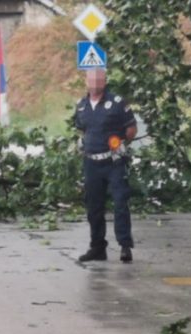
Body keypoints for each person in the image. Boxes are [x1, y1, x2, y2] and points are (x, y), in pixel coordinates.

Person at [74, 67, 138, 263]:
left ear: (104, 81)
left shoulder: (117, 103)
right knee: (94, 206)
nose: (95, 83)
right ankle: (97, 247)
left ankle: (125, 246)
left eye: (98, 79)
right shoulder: (81, 105)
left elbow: (131, 129)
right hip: (91, 162)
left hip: (113, 162)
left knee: (120, 202)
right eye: (91, 79)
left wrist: (119, 143)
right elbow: (81, 130)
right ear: (86, 81)